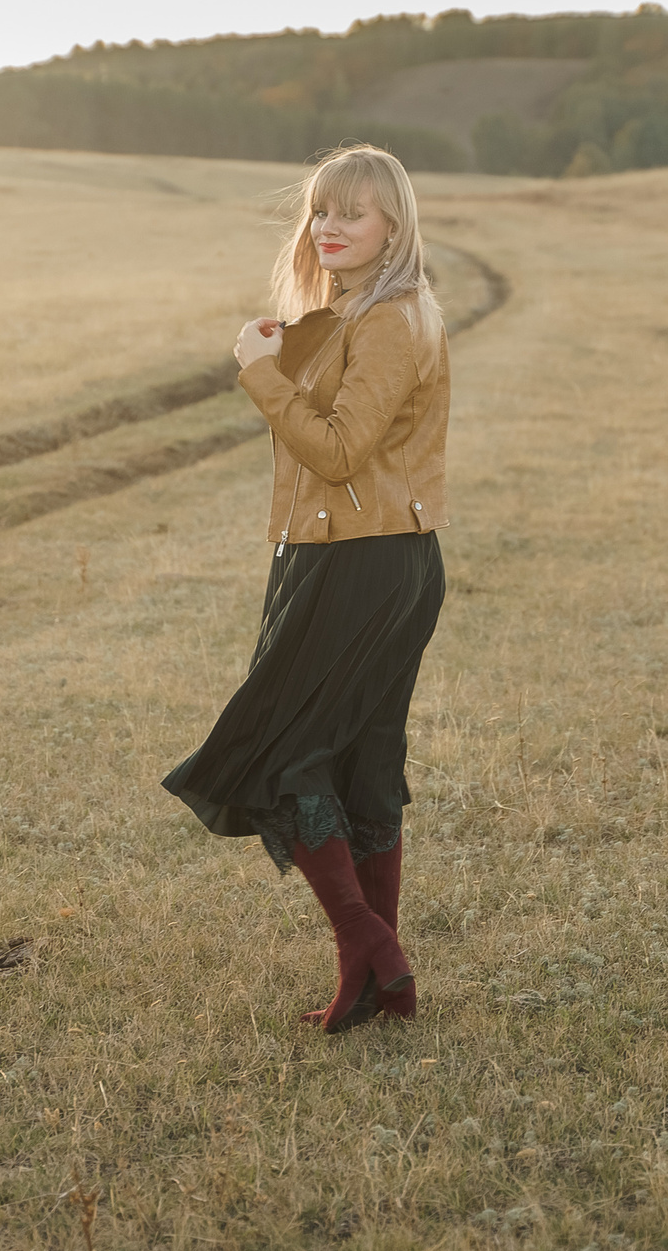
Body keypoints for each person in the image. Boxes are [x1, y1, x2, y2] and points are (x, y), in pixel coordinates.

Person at [161, 142, 451, 1034]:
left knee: (287, 756)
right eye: (322, 209)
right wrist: (290, 355)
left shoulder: (392, 319)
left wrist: (258, 372)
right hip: (365, 556)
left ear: (392, 226)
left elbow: (336, 451)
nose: (329, 225)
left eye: (352, 212)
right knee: (363, 764)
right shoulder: (357, 313)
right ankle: (374, 988)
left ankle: (374, 948)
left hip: (359, 565)